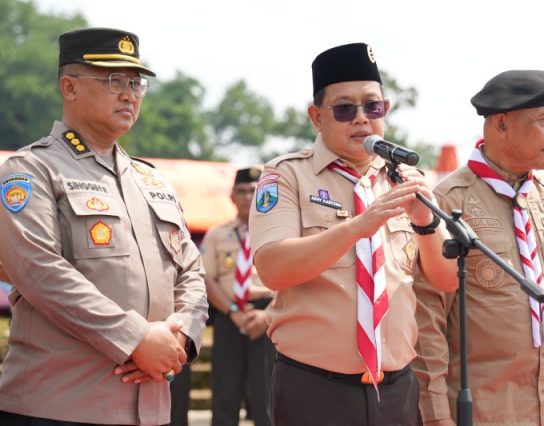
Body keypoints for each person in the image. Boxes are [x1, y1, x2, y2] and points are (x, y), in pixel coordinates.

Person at [0, 27, 208, 425]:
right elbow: (39, 271)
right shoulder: (31, 170)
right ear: (69, 87)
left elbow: (192, 272)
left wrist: (179, 337)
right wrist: (137, 338)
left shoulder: (153, 181)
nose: (129, 93)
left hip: (150, 406)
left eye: (136, 83)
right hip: (58, 406)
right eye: (114, 80)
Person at [248, 42, 458, 426]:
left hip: (396, 388)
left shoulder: (404, 180)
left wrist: (426, 222)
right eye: (345, 109)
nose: (361, 119)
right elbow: (272, 268)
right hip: (315, 389)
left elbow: (446, 280)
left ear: (386, 111)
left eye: (372, 107)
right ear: (316, 117)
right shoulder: (287, 175)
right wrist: (360, 224)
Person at [413, 70, 544, 425]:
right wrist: (436, 416)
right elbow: (428, 318)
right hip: (486, 413)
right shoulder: (445, 202)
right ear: (501, 124)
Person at [200, 166, 274, 426]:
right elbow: (207, 278)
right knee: (225, 393)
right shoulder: (217, 234)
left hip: (269, 317)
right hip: (228, 315)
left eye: (253, 191)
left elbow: (293, 278)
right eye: (241, 191)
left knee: (267, 396)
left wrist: (267, 315)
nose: (246, 196)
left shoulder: (276, 232)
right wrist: (233, 312)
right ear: (231, 196)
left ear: (263, 195)